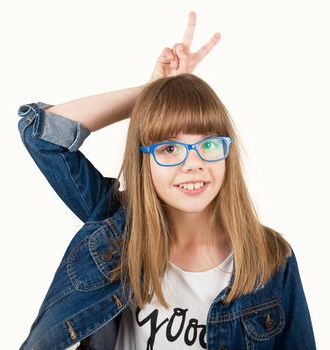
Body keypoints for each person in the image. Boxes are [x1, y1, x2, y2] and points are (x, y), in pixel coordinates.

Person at [17, 11, 316, 350]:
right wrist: (152, 94)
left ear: (226, 153)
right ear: (145, 160)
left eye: (207, 145)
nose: (193, 163)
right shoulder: (115, 229)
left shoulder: (271, 259)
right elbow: (41, 134)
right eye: (170, 148)